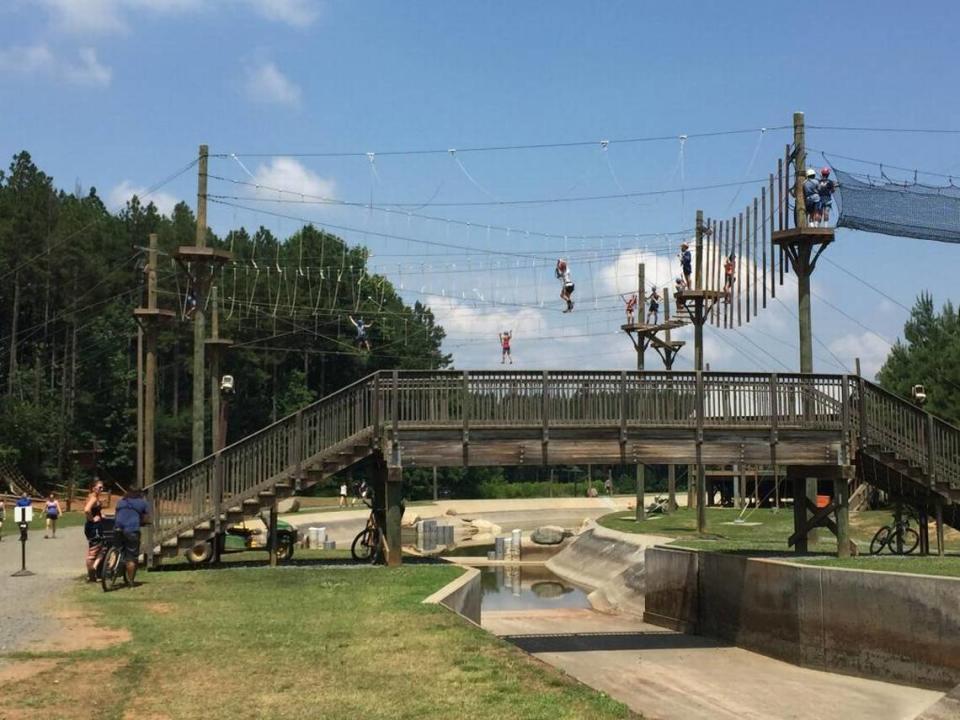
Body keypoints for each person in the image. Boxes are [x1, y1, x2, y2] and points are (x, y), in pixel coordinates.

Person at [114, 488, 151, 585]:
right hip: (132, 530)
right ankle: (130, 582)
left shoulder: (120, 502)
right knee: (131, 556)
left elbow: (117, 515)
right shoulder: (143, 503)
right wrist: (143, 522)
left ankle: (110, 570)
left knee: (117, 550)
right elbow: (146, 518)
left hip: (118, 529)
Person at [83, 479, 106, 581]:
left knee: (102, 549)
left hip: (91, 527)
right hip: (94, 527)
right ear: (94, 488)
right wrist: (93, 519)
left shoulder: (92, 497)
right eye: (99, 487)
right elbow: (87, 510)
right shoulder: (93, 498)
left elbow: (93, 510)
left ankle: (94, 570)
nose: (102, 489)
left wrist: (100, 514)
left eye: (102, 487)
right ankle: (91, 574)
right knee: (93, 552)